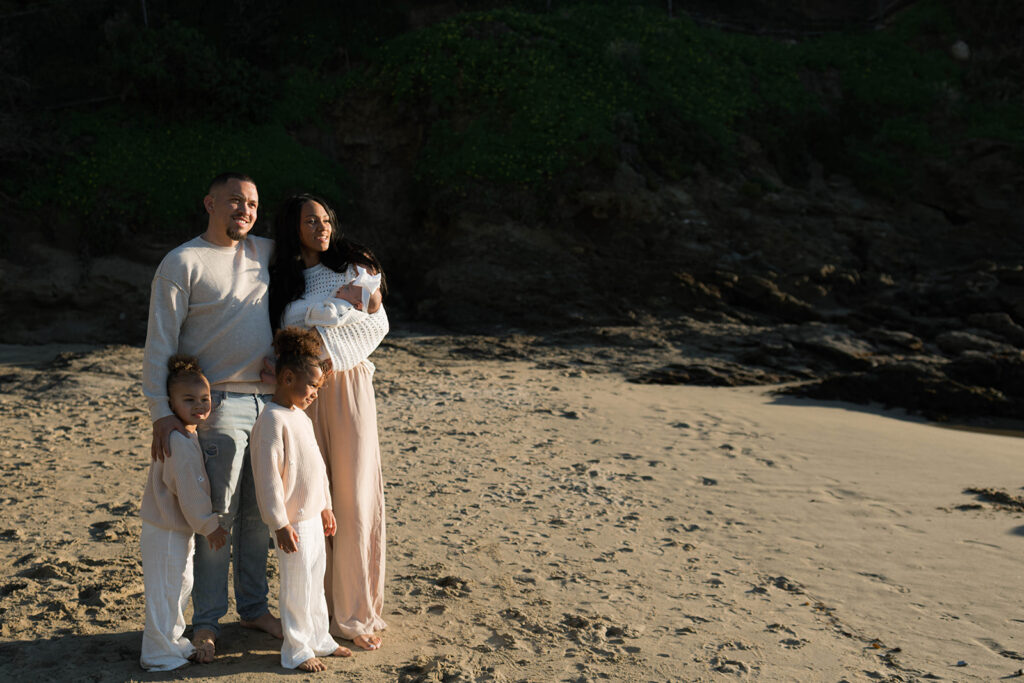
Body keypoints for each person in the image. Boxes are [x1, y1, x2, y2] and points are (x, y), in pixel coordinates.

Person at [142, 172, 280, 663]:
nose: (245, 211)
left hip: (270, 403)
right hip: (215, 405)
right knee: (216, 517)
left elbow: (320, 252)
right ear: (210, 203)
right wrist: (161, 412)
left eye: (253, 204)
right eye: (235, 201)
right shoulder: (182, 262)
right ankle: (206, 622)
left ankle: (254, 609)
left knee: (260, 516)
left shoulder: (266, 252)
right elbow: (159, 342)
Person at [268, 194, 389, 650]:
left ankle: (355, 614)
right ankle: (317, 614)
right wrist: (318, 324)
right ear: (292, 227)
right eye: (310, 221)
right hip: (302, 394)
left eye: (325, 219)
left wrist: (324, 349)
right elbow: (282, 333)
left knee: (354, 496)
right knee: (310, 497)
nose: (321, 227)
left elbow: (375, 324)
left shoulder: (354, 266)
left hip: (348, 385)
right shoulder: (283, 280)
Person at [250, 327, 351, 671]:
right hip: (292, 521)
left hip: (312, 517)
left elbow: (317, 467)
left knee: (315, 581)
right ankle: (296, 649)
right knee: (297, 586)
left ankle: (320, 639)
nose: (315, 395)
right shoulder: (270, 421)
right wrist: (279, 523)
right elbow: (267, 480)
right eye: (312, 386)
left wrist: (326, 506)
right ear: (288, 377)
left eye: (318, 388)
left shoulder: (301, 418)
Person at [139, 355, 229, 671]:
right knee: (166, 591)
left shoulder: (188, 434)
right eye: (188, 400)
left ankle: (172, 641)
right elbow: (190, 489)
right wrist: (209, 525)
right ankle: (157, 653)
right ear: (170, 403)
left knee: (179, 586)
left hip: (175, 528)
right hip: (165, 529)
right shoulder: (177, 440)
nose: (199, 405)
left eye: (204, 398)